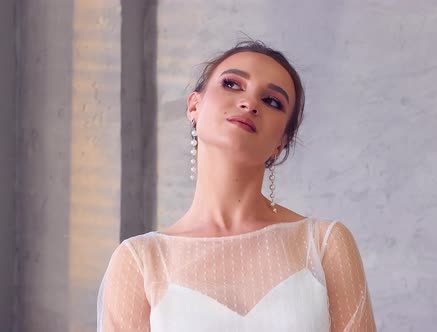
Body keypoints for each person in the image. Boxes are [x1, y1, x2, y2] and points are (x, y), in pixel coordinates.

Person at [97, 40, 377, 331]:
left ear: (280, 144)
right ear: (194, 106)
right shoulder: (141, 260)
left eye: (272, 101)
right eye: (232, 84)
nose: (250, 103)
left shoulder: (323, 244)